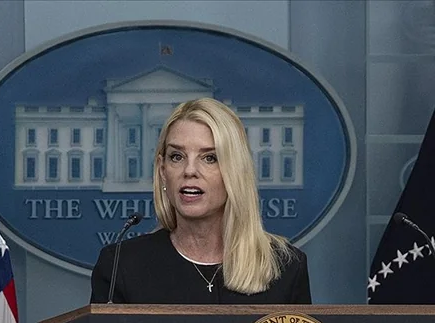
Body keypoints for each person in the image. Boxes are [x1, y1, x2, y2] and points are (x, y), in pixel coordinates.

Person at [91, 98, 311, 304]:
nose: (189, 170)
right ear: (162, 170)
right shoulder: (120, 265)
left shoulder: (286, 267)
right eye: (177, 157)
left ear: (235, 171)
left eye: (209, 158)